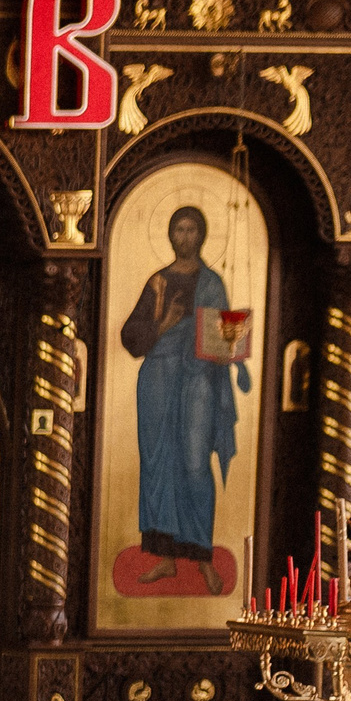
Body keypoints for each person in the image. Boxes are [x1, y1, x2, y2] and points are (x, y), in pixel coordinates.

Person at [118, 204, 242, 594]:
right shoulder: (157, 282)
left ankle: (201, 557)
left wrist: (235, 352)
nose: (184, 237)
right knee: (158, 464)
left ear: (201, 235)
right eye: (178, 230)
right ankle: (166, 558)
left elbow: (226, 339)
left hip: (198, 382)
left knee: (193, 463)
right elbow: (130, 336)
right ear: (170, 235)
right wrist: (164, 325)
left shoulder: (213, 283)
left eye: (191, 230)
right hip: (157, 379)